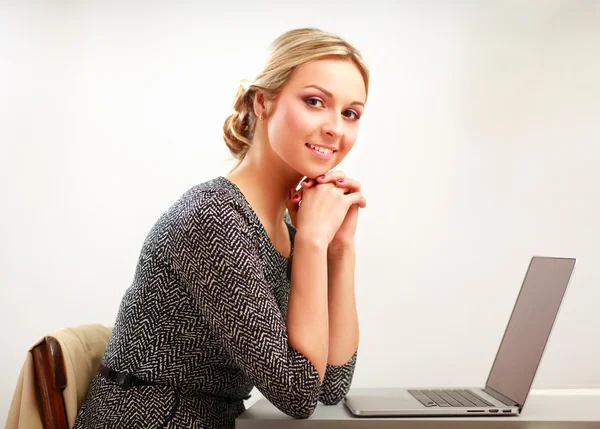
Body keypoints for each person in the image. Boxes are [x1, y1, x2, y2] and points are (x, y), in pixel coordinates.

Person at [73, 27, 369, 428]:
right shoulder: (214, 217)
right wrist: (314, 242)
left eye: (350, 113)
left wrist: (339, 249)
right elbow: (298, 394)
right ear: (263, 102)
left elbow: (328, 387)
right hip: (154, 419)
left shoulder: (283, 225)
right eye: (315, 101)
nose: (336, 127)